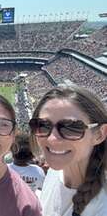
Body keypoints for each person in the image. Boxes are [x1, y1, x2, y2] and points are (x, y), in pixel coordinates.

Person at [29, 84, 107, 216]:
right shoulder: (55, 172)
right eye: (42, 125)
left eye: (71, 128)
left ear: (99, 134)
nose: (52, 139)